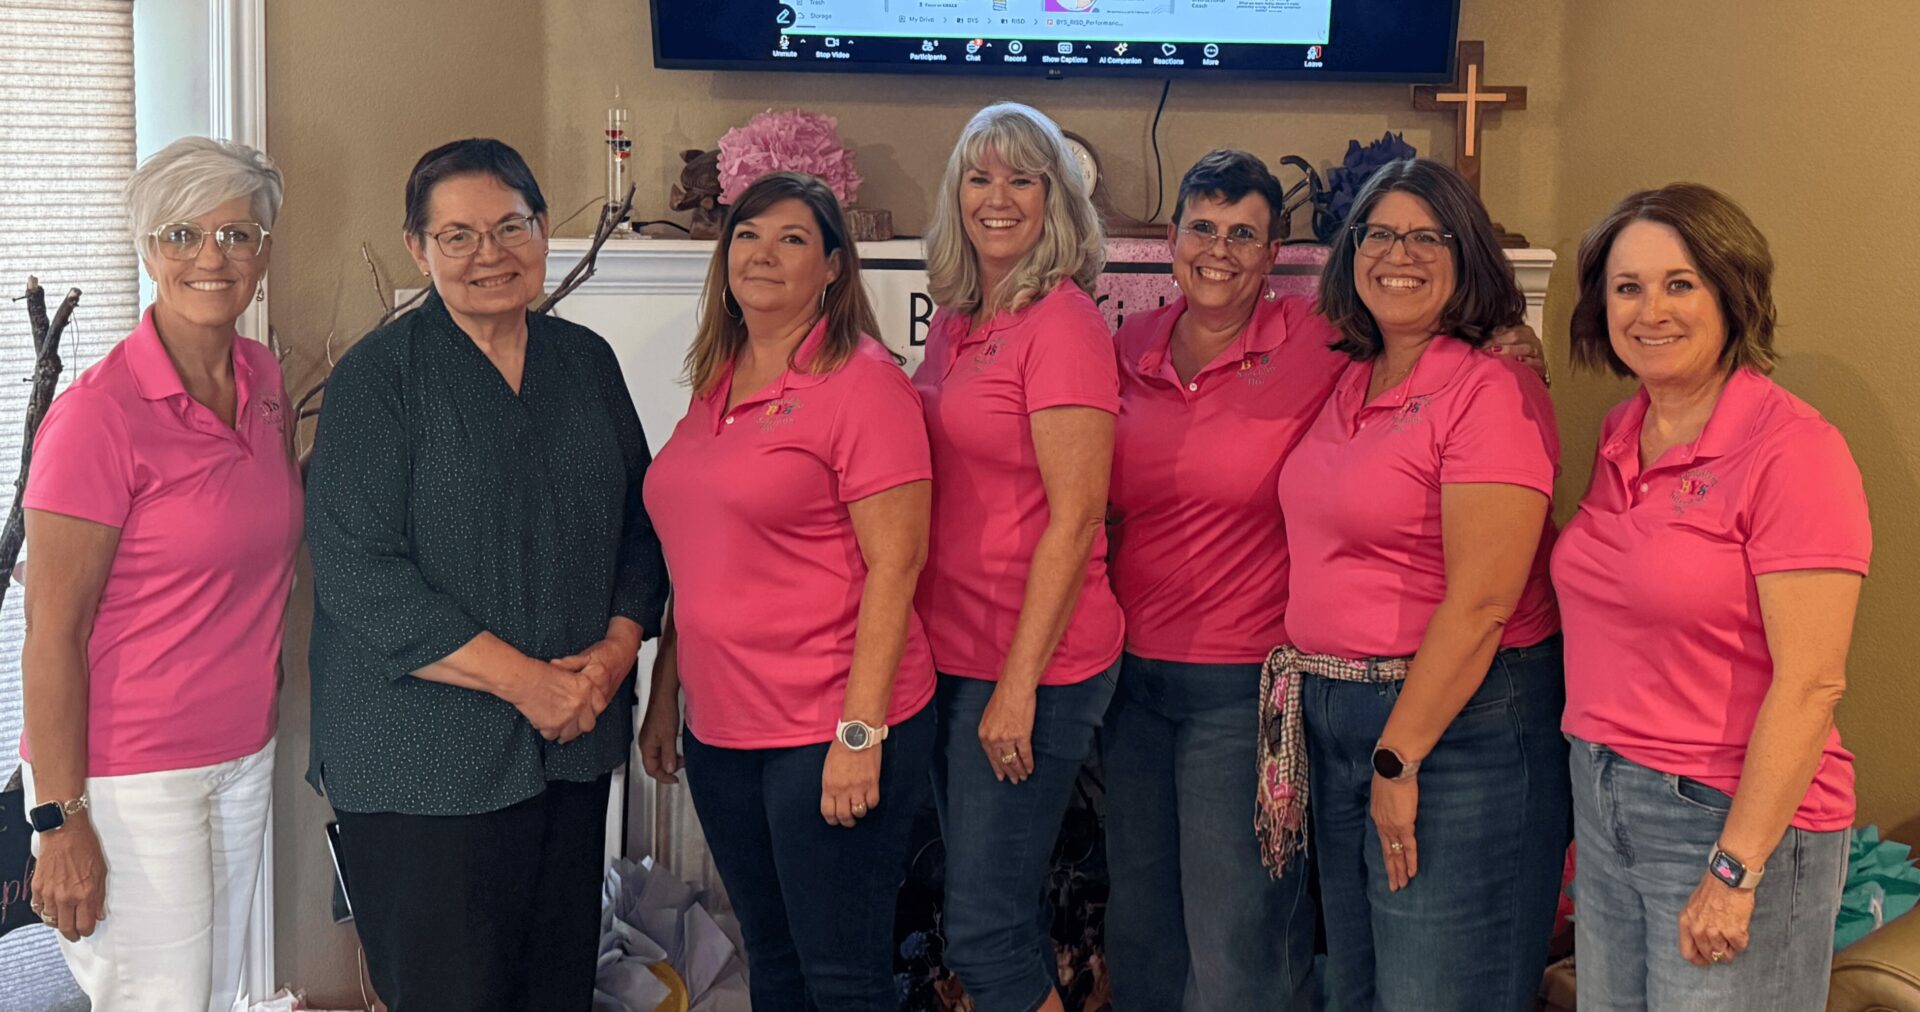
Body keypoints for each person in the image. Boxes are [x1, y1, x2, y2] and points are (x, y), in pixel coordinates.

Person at [1104, 149, 1548, 1012]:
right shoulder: (1135, 347)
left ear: (1277, 255)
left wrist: (1512, 342)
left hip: (1298, 694)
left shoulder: (1330, 344)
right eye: (1202, 228)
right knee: (1159, 933)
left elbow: (1486, 594)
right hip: (1178, 685)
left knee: (1248, 945)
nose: (1220, 250)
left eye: (1244, 234)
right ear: (1171, 241)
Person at [304, 138, 668, 1010]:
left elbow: (643, 523)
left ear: (543, 231)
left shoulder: (585, 362)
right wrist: (530, 685)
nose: (489, 254)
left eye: (511, 227)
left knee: (555, 989)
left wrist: (615, 655)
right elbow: (360, 576)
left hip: (572, 746)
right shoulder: (377, 381)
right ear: (417, 248)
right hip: (420, 761)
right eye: (458, 236)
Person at [1265, 158, 1569, 1012]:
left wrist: (1399, 757)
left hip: (1456, 728)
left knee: (1437, 993)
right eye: (1379, 234)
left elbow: (1482, 602)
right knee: (1360, 991)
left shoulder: (1492, 389)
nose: (1399, 254)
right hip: (1338, 719)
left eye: (1427, 237)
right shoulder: (1348, 377)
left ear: (1466, 256)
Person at [1554, 183, 1867, 1012]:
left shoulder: (1795, 450)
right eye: (1627, 287)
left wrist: (1734, 869)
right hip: (1606, 796)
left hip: (1726, 818)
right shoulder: (1622, 431)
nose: (1650, 311)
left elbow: (1812, 683)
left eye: (1680, 284)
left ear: (1732, 293)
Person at [636, 172, 936, 1011]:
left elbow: (897, 565)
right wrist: (665, 694)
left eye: (792, 238)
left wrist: (859, 734)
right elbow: (700, 553)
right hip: (724, 733)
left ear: (833, 267)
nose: (763, 254)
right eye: (748, 235)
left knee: (841, 979)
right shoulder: (717, 381)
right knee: (771, 960)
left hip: (826, 725)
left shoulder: (864, 385)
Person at [18, 136, 295, 1011]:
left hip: (242, 751)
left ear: (262, 253)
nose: (211, 257)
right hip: (129, 774)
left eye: (236, 234)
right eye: (182, 234)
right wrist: (60, 818)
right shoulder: (96, 417)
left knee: (213, 994)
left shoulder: (263, 381)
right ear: (147, 250)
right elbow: (52, 632)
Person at [913, 101, 1119, 1012]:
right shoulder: (960, 320)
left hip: (1033, 663)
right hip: (954, 654)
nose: (997, 198)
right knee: (998, 916)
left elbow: (1076, 521)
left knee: (985, 931)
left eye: (1022, 180)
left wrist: (1018, 685)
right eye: (979, 177)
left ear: (1055, 200)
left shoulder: (1062, 324)